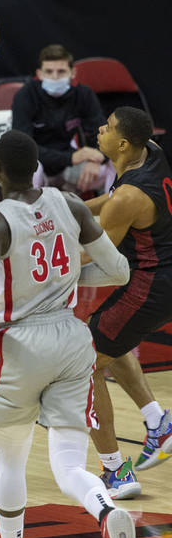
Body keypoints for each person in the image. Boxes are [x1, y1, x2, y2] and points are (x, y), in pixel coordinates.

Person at [0, 129, 137, 538]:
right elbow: (118, 271)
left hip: (23, 345)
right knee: (68, 465)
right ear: (35, 168)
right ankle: (109, 515)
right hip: (72, 339)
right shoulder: (70, 203)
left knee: (11, 458)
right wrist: (69, 276)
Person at [85, 107, 172, 498]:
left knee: (83, 366)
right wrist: (68, 206)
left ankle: (116, 472)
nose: (99, 129)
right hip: (161, 278)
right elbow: (112, 197)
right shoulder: (151, 150)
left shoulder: (132, 197)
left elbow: (95, 254)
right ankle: (159, 423)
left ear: (121, 144)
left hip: (152, 286)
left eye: (107, 127)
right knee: (105, 336)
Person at [12, 43, 113, 196]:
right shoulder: (25, 96)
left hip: (70, 165)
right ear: (39, 74)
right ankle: (32, 217)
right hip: (41, 163)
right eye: (49, 72)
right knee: (30, 168)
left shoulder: (83, 94)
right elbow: (25, 148)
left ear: (72, 73)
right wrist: (71, 157)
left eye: (61, 71)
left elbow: (105, 134)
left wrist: (98, 158)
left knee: (114, 164)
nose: (55, 77)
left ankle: (111, 215)